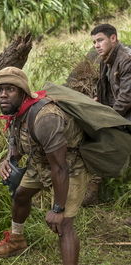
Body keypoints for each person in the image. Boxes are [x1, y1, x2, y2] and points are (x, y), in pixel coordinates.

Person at [0, 67, 90, 265]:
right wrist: (7, 160)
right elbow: (17, 146)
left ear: (23, 92)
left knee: (64, 225)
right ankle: (17, 239)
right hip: (40, 163)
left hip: (69, 167)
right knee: (21, 195)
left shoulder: (46, 118)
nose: (3, 95)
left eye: (10, 89)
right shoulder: (17, 113)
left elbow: (60, 168)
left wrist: (58, 209)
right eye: (0, 90)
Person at [82, 24, 131, 205]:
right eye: (94, 42)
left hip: (126, 118)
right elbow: (108, 91)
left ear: (113, 38)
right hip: (122, 117)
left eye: (100, 40)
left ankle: (94, 191)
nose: (96, 45)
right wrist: (98, 103)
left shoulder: (126, 59)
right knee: (92, 140)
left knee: (101, 139)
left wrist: (106, 119)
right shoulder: (106, 59)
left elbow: (126, 98)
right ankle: (92, 190)